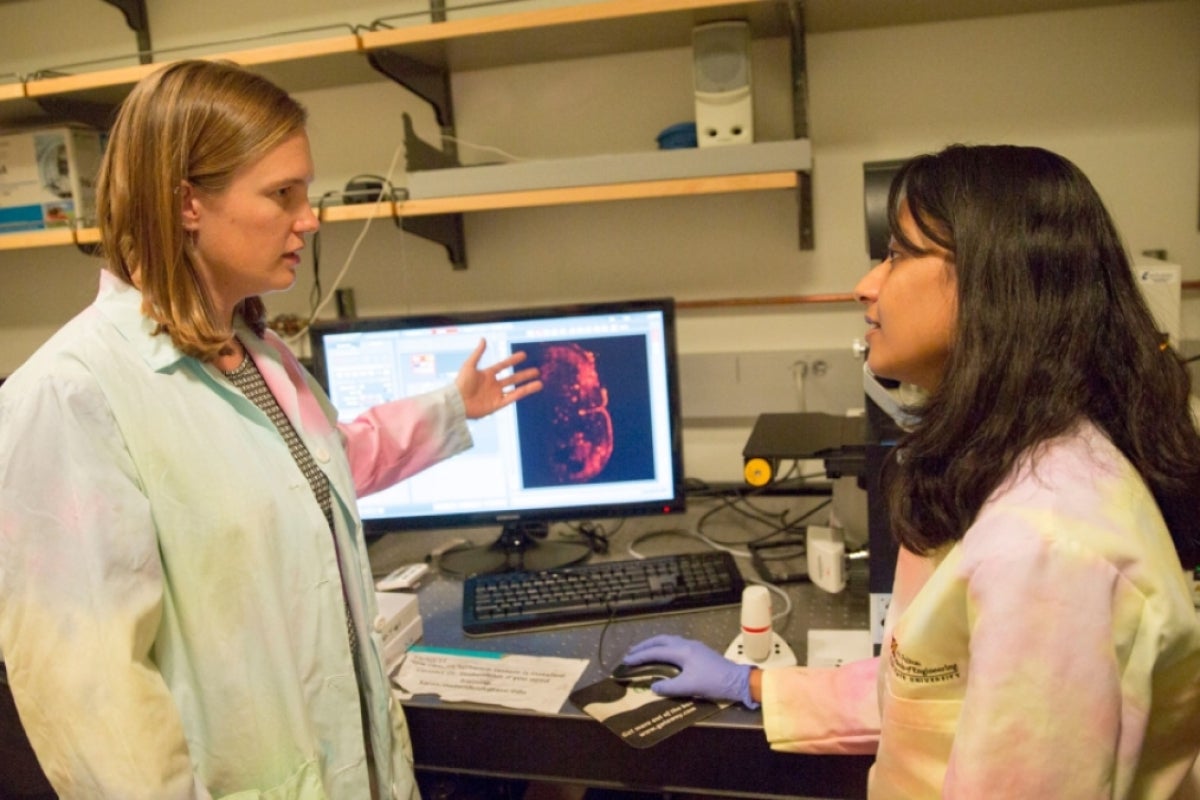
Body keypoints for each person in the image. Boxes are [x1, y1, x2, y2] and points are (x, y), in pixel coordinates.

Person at [0, 59, 542, 799]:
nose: (310, 218)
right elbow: (94, 703)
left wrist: (449, 408)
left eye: (307, 192)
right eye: (283, 194)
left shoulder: (252, 351)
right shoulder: (72, 395)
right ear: (187, 202)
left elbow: (312, 470)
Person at [622, 144, 1200, 798]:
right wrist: (753, 684)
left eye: (896, 254)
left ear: (995, 280)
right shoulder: (1021, 459)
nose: (866, 284)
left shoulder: (1047, 551)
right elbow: (931, 690)